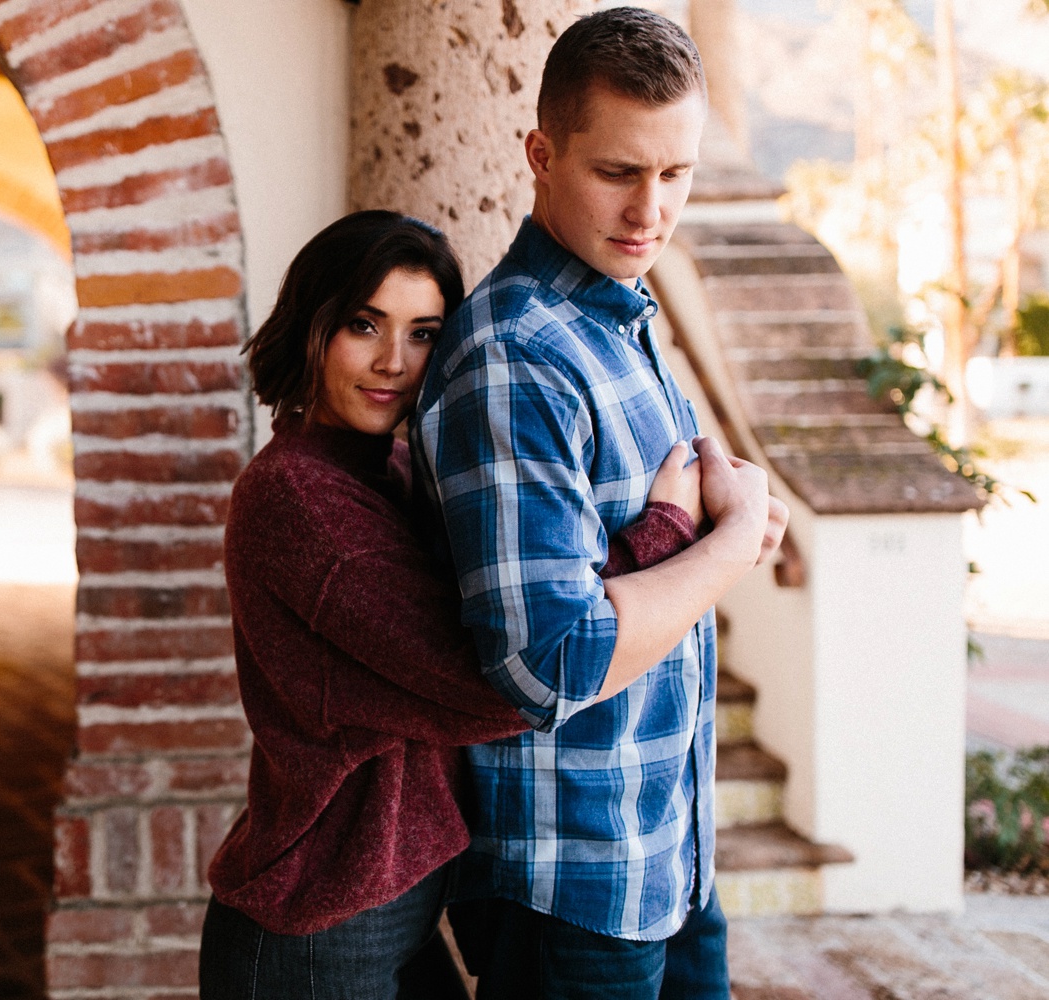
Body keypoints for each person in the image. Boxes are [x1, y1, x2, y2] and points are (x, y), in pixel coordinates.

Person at [199, 210, 709, 1000]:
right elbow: (500, 675)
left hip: (396, 902)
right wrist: (664, 535)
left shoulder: (391, 468)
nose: (393, 362)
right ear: (313, 325)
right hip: (316, 924)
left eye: (424, 332)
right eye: (364, 324)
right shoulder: (298, 497)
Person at [411, 9, 790, 999]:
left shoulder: (621, 315)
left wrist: (711, 520)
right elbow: (547, 661)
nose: (650, 209)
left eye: (677, 174)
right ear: (541, 154)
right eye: (617, 171)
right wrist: (733, 543)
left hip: (667, 844)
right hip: (569, 890)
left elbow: (636, 558)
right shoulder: (518, 357)